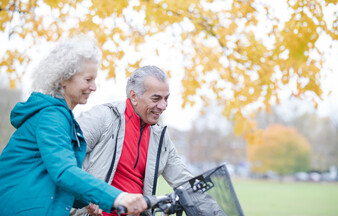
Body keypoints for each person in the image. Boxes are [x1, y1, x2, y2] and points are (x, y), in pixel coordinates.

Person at [0, 35, 146, 216]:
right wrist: (117, 197)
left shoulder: (61, 117)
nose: (94, 87)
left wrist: (85, 200)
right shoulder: (51, 117)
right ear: (64, 79)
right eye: (88, 80)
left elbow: (50, 174)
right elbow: (63, 171)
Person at [72, 66, 194, 216]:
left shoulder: (160, 138)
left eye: (166, 98)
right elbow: (63, 160)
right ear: (134, 96)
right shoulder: (102, 118)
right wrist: (85, 199)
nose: (163, 106)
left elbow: (186, 183)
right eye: (156, 98)